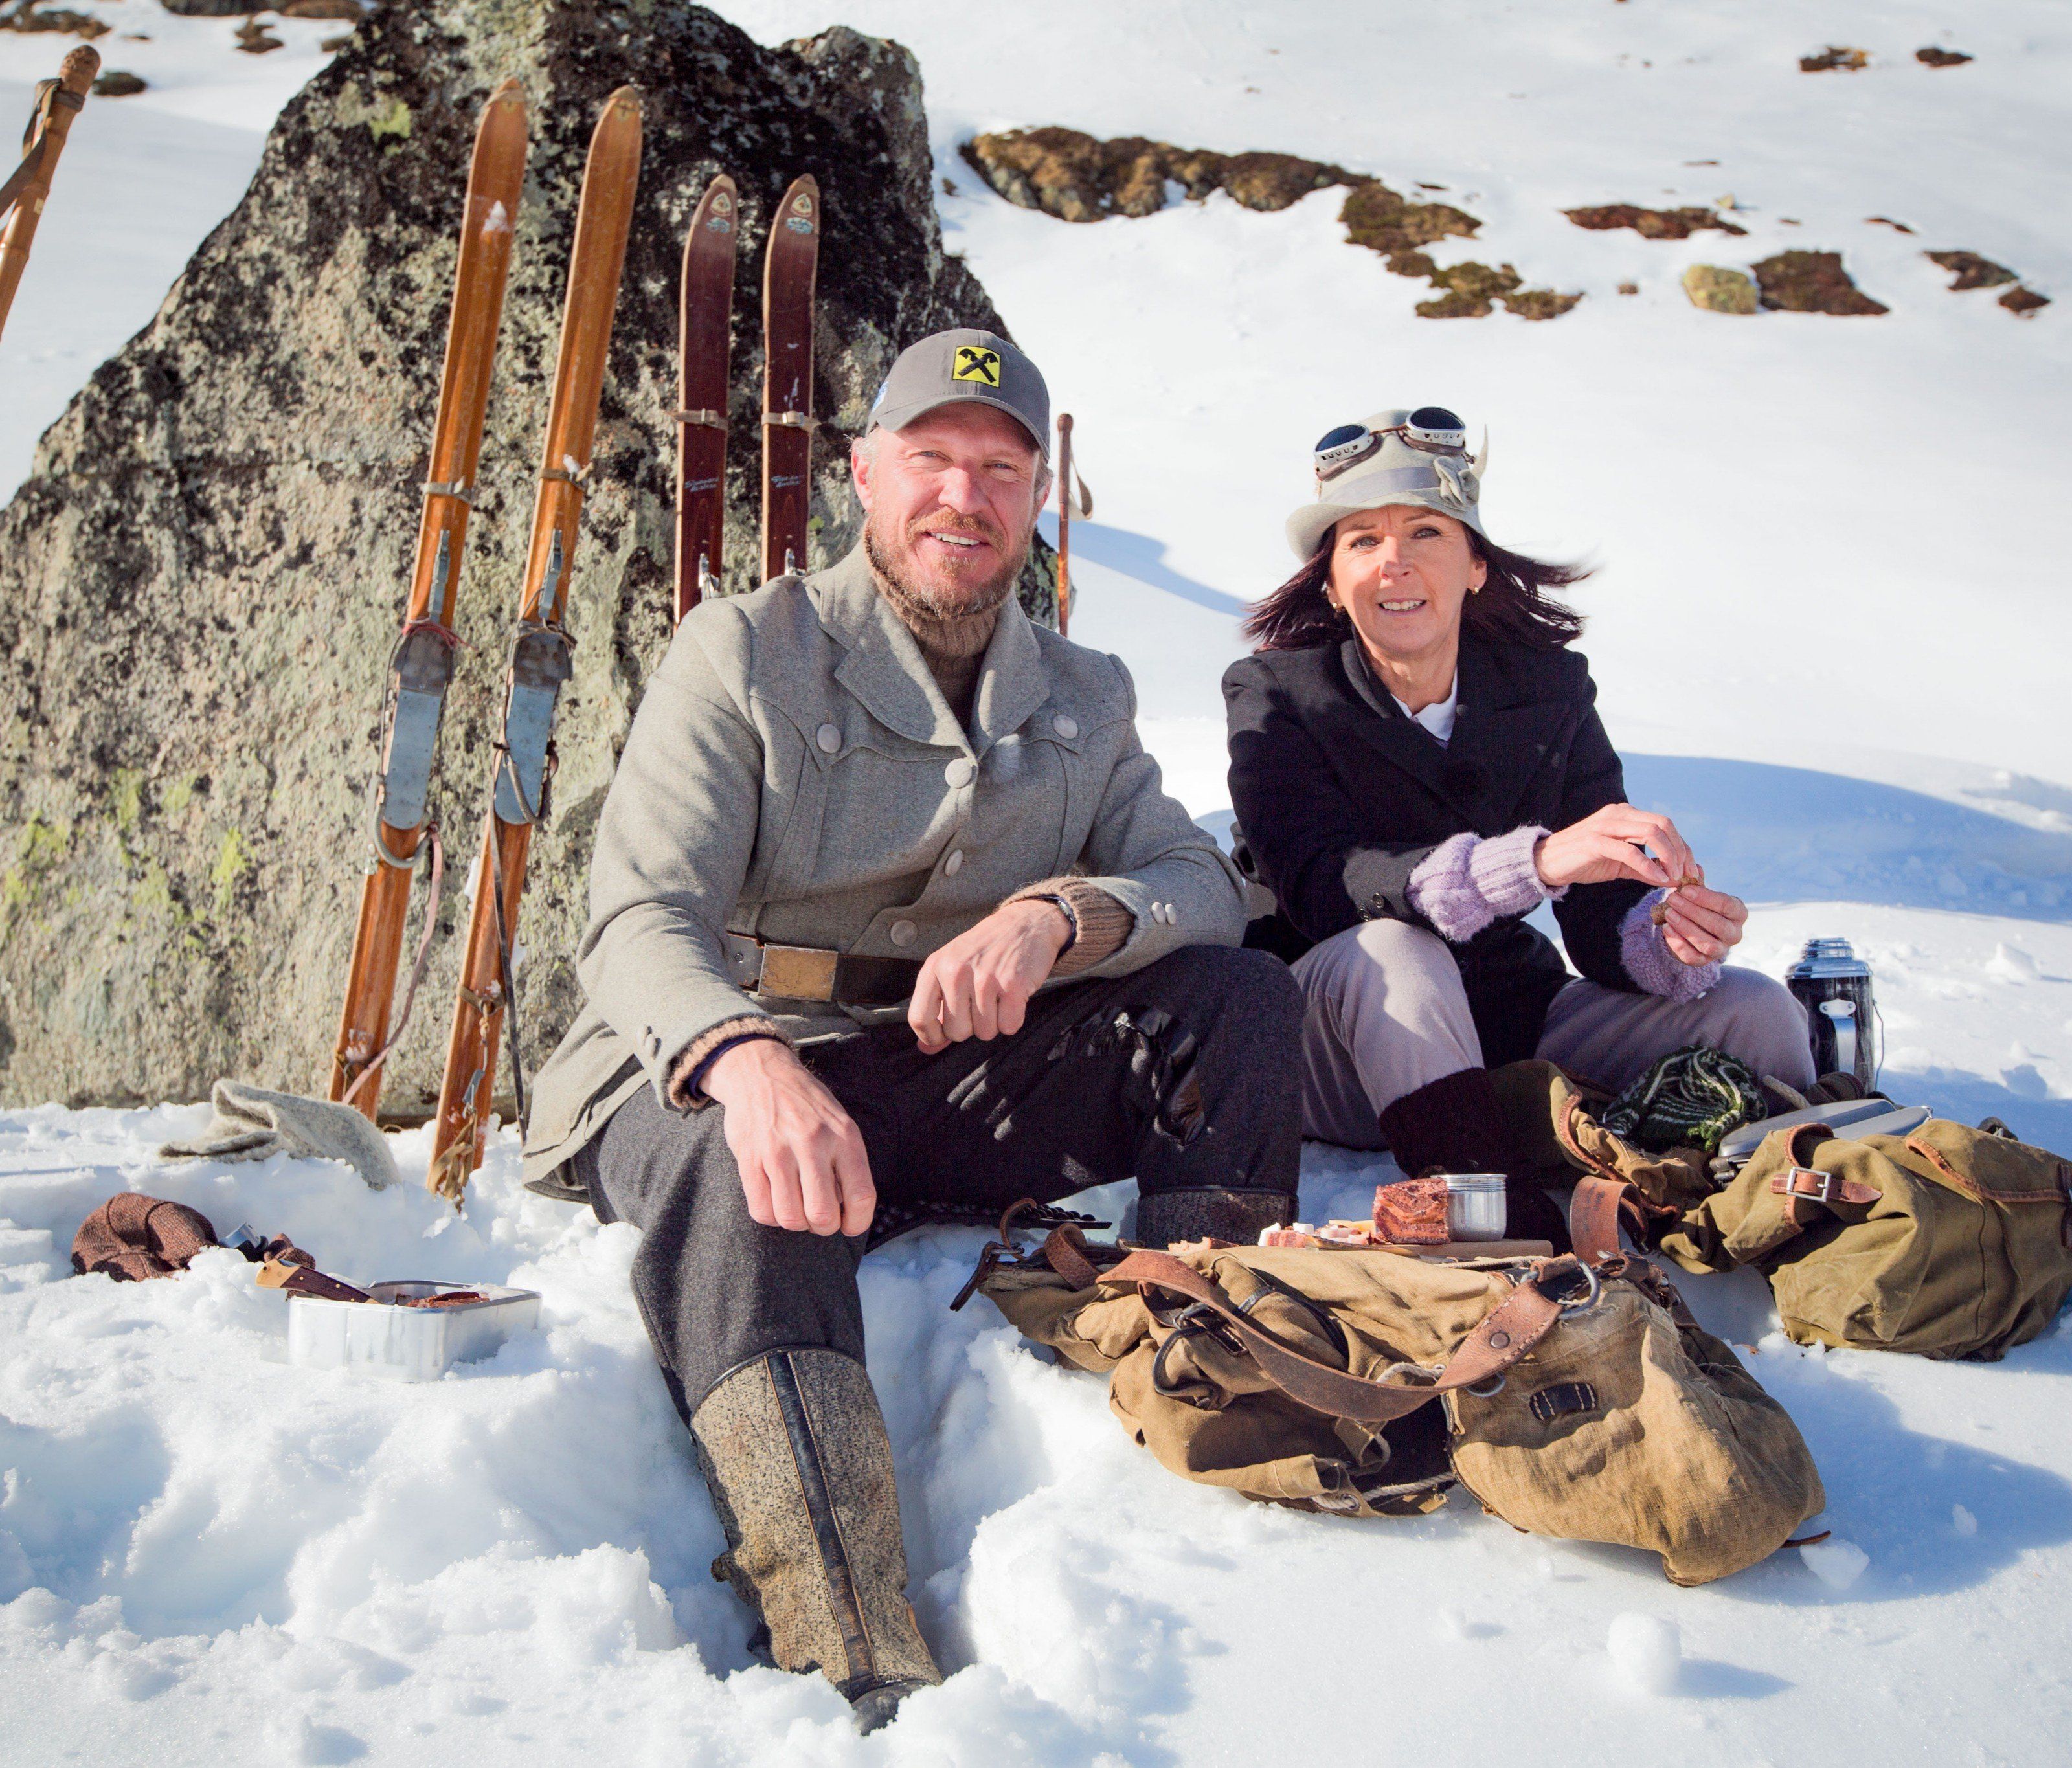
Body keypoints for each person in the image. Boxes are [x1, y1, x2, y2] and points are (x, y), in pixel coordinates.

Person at [521, 329, 1301, 1729]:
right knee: (736, 1163)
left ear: (1033, 504)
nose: (966, 494)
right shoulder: (746, 651)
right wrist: (746, 1063)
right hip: (712, 1066)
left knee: (1238, 1003)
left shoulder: (1084, 694)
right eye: (932, 459)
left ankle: (1220, 1393)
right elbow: (637, 919)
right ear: (867, 477)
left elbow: (1201, 886)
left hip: (938, 1083)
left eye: (1000, 469)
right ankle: (850, 1642)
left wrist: (1065, 918)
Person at [1222, 407, 1816, 1233]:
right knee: (1396, 949)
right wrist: (1530, 864)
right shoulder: (1276, 694)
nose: (1393, 560)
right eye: (1360, 539)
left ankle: (1805, 1200)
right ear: (1331, 581)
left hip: (1506, 1022)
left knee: (1756, 1009)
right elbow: (1325, 887)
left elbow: (1601, 906)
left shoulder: (1549, 688)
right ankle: (1507, 1226)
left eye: (1424, 531)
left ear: (1473, 565)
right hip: (1330, 1044)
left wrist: (1661, 935)